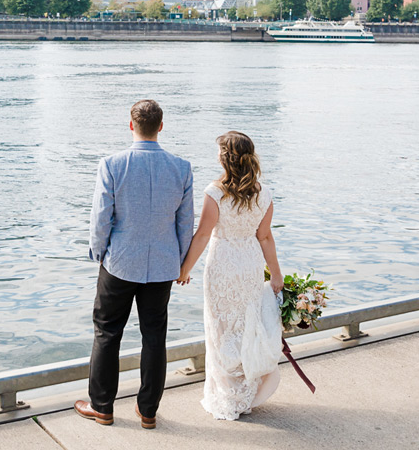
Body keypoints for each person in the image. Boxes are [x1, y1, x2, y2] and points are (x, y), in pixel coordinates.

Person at [76, 99, 195, 429]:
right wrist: (182, 263)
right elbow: (186, 223)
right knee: (155, 336)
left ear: (131, 126)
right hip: (162, 265)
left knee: (107, 332)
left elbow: (101, 217)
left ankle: (102, 407)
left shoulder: (112, 164)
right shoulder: (182, 168)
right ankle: (148, 412)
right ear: (161, 126)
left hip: (120, 262)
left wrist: (98, 252)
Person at [177, 130, 285, 420]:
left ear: (224, 158)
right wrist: (276, 275)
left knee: (221, 329)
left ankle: (228, 396)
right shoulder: (264, 193)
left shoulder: (215, 192)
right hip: (249, 263)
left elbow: (201, 236)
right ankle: (245, 393)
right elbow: (265, 237)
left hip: (223, 263)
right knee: (246, 327)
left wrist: (185, 269)